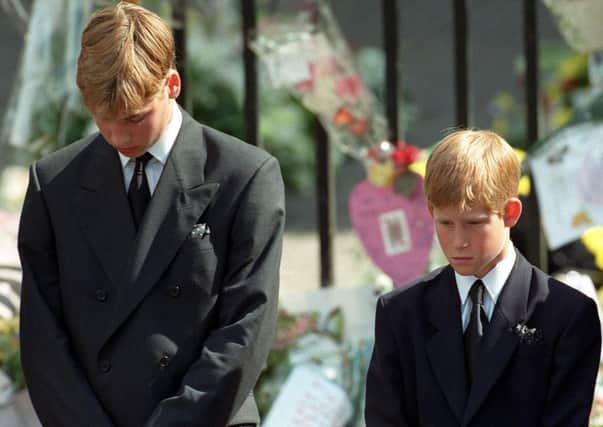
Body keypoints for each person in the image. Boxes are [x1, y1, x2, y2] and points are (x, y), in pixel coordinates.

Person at [17, 2, 284, 426]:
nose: (119, 136)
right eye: (103, 120)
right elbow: (41, 336)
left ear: (172, 84)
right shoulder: (53, 184)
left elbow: (246, 328)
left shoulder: (245, 176)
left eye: (135, 118)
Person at [365, 129, 601, 426]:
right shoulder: (400, 313)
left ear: (511, 213)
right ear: (430, 212)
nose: (458, 240)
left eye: (474, 223)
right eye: (445, 223)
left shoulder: (567, 315)